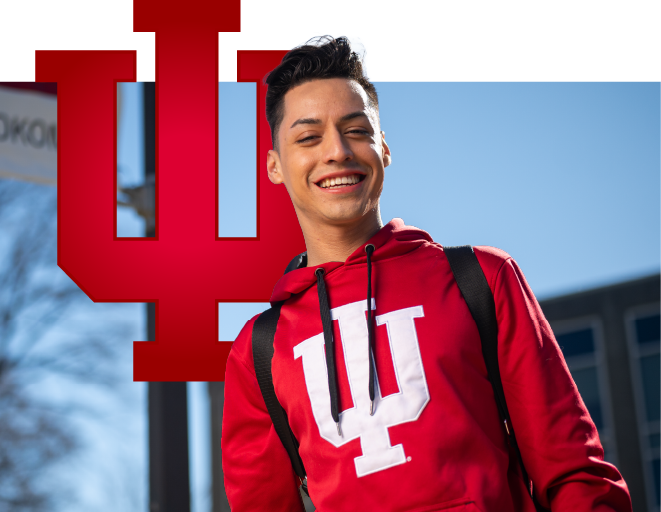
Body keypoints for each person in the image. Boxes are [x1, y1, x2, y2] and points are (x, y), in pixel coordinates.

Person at [220, 35, 632, 511]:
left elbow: (575, 473)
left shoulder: (481, 280)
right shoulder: (259, 353)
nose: (337, 151)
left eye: (356, 130)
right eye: (309, 137)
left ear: (383, 148)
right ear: (275, 166)